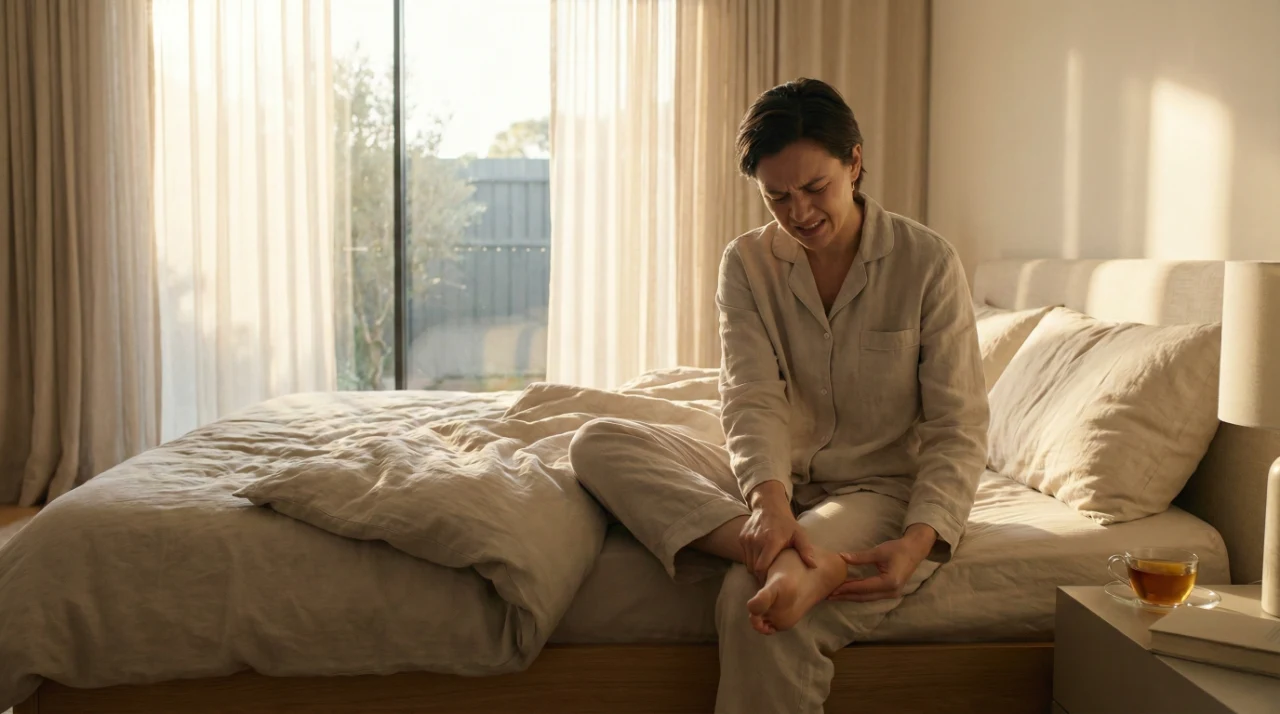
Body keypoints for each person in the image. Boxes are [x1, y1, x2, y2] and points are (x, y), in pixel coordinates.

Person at [568, 77, 988, 713]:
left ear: (854, 162)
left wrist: (918, 540)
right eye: (777, 197)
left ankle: (788, 560)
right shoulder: (746, 263)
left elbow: (958, 424)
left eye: (815, 187)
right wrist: (768, 506)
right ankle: (782, 550)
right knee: (597, 441)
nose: (799, 212)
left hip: (875, 487)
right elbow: (750, 394)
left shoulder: (927, 263)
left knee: (749, 599)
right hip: (772, 476)